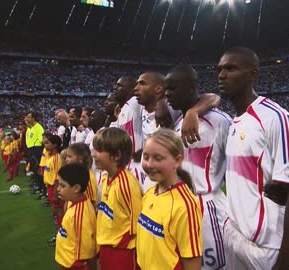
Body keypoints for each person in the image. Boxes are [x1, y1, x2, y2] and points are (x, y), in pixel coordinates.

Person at [219, 47, 289, 270]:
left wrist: (284, 263)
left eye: (230, 68)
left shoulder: (275, 118)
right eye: (220, 69)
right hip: (234, 235)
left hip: (268, 247)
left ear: (253, 74)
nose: (221, 75)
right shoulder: (234, 122)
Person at [165, 64, 231, 269]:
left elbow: (234, 172)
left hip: (207, 209)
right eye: (166, 88)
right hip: (180, 206)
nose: (168, 94)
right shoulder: (177, 123)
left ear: (192, 88)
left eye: (173, 88)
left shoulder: (220, 122)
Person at [137, 128, 202, 270]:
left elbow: (192, 262)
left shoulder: (186, 205)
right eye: (146, 157)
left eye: (158, 158)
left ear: (177, 160)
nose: (149, 164)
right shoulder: (149, 193)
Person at [92, 127, 142, 270]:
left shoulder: (127, 185)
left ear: (116, 155)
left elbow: (137, 227)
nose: (94, 154)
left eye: (99, 150)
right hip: (107, 247)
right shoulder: (106, 178)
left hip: (122, 253)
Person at [55, 164, 98, 270]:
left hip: (74, 266)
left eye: (62, 186)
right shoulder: (73, 203)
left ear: (76, 188)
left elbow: (87, 251)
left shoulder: (80, 214)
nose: (58, 189)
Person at [65, 143, 98, 209]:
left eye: (69, 157)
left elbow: (92, 204)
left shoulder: (87, 178)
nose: (66, 160)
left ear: (80, 159)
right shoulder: (76, 174)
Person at [43, 135, 64, 233]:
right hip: (49, 187)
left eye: (47, 143)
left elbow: (57, 178)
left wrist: (55, 194)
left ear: (55, 145)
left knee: (59, 211)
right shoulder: (51, 156)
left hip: (54, 188)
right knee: (56, 211)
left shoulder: (57, 158)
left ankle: (61, 232)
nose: (45, 144)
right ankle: (60, 232)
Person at [25, 112, 45, 178]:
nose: (27, 118)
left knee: (37, 166)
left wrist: (35, 146)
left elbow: (41, 139)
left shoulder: (38, 127)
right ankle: (35, 180)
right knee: (33, 166)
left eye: (28, 117)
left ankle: (40, 182)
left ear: (33, 118)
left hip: (36, 149)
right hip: (30, 148)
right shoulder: (30, 127)